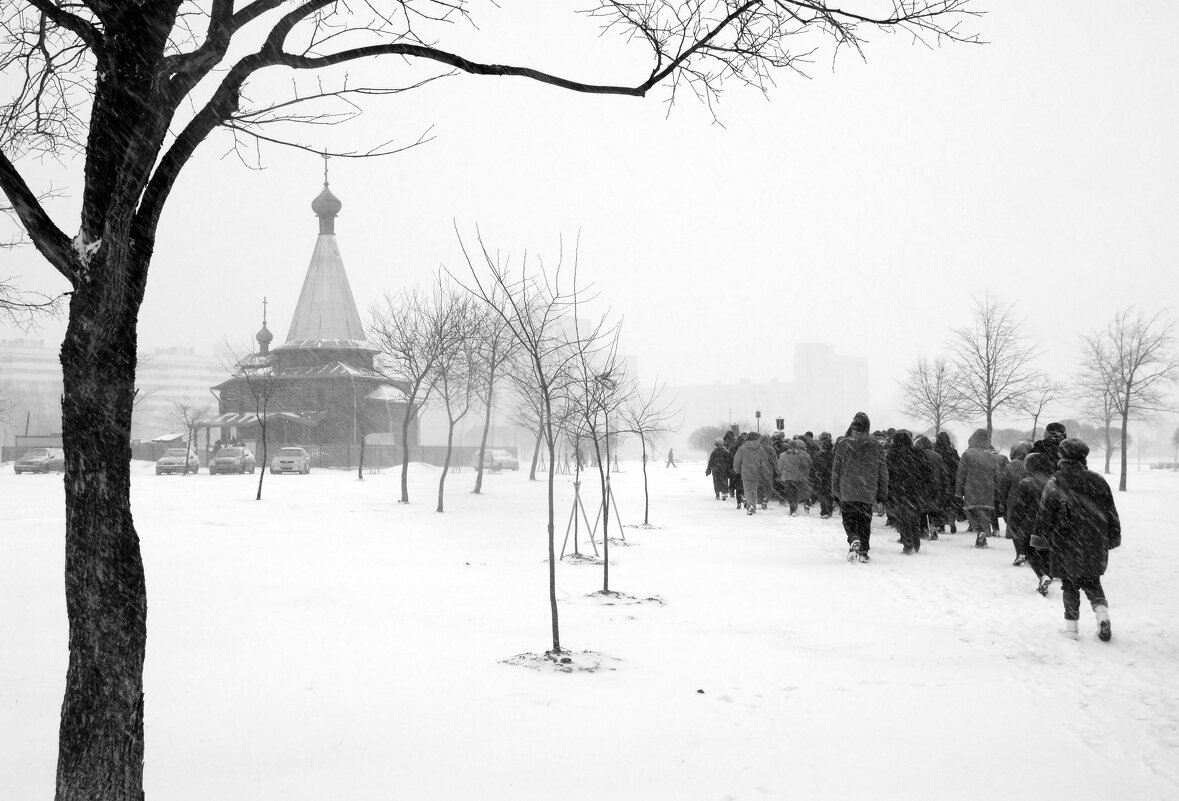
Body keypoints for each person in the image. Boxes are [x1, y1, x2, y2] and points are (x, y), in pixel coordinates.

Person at [1031, 439, 1121, 641]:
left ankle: (1072, 629)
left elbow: (1045, 512)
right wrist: (1113, 535)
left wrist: (1039, 537)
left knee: (1069, 586)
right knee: (1092, 582)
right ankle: (1102, 614)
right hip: (1094, 540)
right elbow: (1111, 512)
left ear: (1062, 457)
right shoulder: (1098, 480)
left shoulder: (1056, 481)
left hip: (1066, 540)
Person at [831, 412, 889, 562]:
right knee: (864, 520)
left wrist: (835, 490)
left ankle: (853, 537)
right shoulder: (876, 446)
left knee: (848, 518)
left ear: (854, 427)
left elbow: (836, 470)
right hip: (867, 489)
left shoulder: (843, 444)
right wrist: (882, 491)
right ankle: (863, 550)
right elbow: (882, 471)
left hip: (847, 488)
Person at [1009, 452, 1054, 596]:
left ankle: (1043, 575)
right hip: (1050, 526)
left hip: (1030, 525)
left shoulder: (1026, 483)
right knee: (1046, 553)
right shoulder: (1053, 484)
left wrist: (1014, 524)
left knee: (1030, 553)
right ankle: (1047, 573)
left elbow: (1019, 507)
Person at [886, 430, 930, 554]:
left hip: (899, 490)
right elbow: (926, 472)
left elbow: (888, 473)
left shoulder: (893, 454)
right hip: (916, 490)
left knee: (902, 518)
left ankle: (908, 544)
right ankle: (916, 542)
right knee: (915, 516)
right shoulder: (918, 453)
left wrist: (889, 489)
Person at [956, 428, 999, 548]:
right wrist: (997, 491)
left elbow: (961, 474)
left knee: (972, 511)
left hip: (971, 488)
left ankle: (979, 531)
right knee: (985, 513)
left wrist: (958, 491)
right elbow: (996, 474)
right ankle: (983, 534)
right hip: (988, 489)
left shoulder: (967, 454)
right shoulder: (990, 455)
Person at [997, 441, 1033, 563]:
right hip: (1032, 500)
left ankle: (1020, 552)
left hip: (1013, 500)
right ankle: (1028, 552)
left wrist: (1002, 501)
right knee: (1028, 527)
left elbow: (1004, 486)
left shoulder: (1011, 466)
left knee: (1014, 527)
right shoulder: (1034, 464)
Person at [733, 432, 773, 515]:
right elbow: (764, 462)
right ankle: (753, 506)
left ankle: (750, 505)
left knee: (747, 490)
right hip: (756, 472)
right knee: (754, 490)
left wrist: (737, 470)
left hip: (745, 472)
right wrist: (765, 471)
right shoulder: (760, 449)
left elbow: (737, 461)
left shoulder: (742, 448)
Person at [913, 435, 944, 540]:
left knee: (922, 510)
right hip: (936, 486)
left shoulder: (918, 456)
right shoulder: (938, 456)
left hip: (922, 486)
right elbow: (943, 473)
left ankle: (924, 530)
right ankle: (934, 527)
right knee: (933, 509)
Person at [933, 431, 962, 533]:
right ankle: (952, 522)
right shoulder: (953, 452)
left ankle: (941, 525)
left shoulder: (936, 452)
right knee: (951, 503)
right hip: (952, 480)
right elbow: (958, 466)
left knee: (941, 504)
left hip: (940, 481)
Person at [776, 438, 812, 516]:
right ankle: (795, 507)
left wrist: (780, 474)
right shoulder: (801, 455)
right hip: (797, 476)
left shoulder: (783, 455)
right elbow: (804, 466)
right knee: (796, 493)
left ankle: (792, 509)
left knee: (790, 493)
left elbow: (779, 467)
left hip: (787, 476)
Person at [812, 432, 836, 518]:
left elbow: (813, 466)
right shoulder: (834, 455)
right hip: (831, 476)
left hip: (821, 476)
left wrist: (815, 474)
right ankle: (829, 510)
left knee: (823, 494)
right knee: (830, 494)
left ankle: (824, 511)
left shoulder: (818, 455)